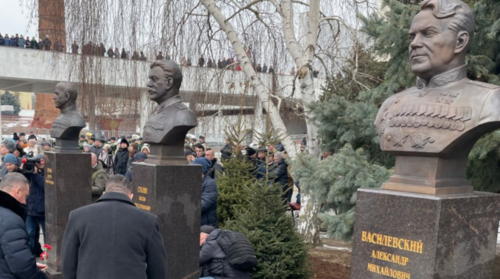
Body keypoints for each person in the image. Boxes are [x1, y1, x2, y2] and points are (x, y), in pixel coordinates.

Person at [61, 175, 167, 279]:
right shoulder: (148, 220)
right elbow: (157, 267)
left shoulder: (78, 216)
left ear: (104, 193)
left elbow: (68, 263)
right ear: (131, 196)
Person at [0, 173, 48, 278]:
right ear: (17, 191)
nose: (25, 201)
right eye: (25, 196)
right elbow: (21, 265)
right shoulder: (10, 220)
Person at [23, 154, 47, 257]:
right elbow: (22, 181)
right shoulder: (29, 171)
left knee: (48, 235)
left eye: (42, 160)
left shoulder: (50, 172)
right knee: (30, 233)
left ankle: (48, 256)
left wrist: (36, 175)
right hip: (31, 208)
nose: (40, 162)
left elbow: (46, 187)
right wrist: (23, 170)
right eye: (38, 161)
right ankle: (30, 255)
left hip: (44, 209)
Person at [192, 157, 218, 227]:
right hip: (194, 222)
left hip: (206, 224)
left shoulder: (210, 184)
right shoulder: (192, 182)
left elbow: (203, 204)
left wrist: (186, 208)